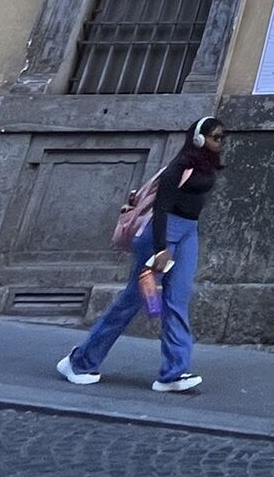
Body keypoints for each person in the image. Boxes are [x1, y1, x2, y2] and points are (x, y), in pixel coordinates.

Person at [58, 116, 227, 393]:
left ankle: (173, 373)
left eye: (222, 138)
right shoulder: (179, 167)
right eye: (215, 137)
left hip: (188, 233)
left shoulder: (207, 165)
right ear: (198, 138)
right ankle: (79, 362)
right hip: (161, 234)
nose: (220, 142)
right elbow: (161, 209)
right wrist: (161, 249)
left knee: (177, 300)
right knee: (132, 300)